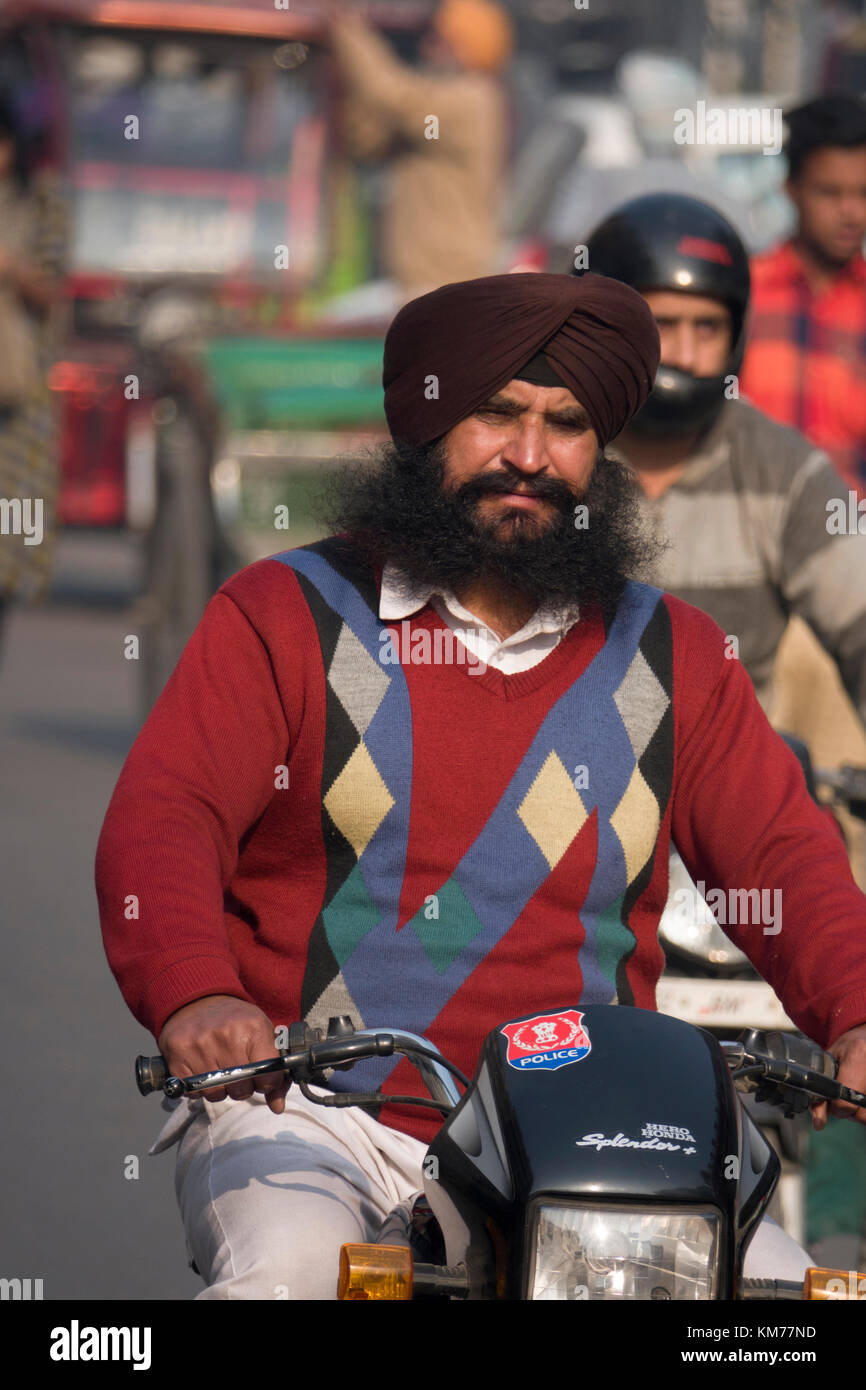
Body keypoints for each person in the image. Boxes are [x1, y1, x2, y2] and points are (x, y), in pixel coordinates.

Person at [96, 271, 866, 1300]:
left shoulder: (674, 654)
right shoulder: (283, 615)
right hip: (312, 1117)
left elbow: (781, 855)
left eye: (567, 424)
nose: (530, 456)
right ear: (424, 425)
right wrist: (198, 991)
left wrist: (853, 1008)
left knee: (783, 1302)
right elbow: (164, 819)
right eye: (495, 414)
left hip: (599, 1145)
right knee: (286, 1274)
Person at [584, 191, 866, 1265]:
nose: (683, 354)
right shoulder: (556, 452)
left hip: (736, 817)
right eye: (659, 325)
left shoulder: (783, 471)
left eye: (708, 328)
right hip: (581, 823)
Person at [327, 1, 513, 303]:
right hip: (417, 282)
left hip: (447, 281)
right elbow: (365, 142)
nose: (427, 48)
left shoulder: (474, 99)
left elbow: (394, 96)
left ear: (463, 45)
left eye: (437, 39)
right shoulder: (436, 110)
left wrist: (345, 25)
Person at [739, 94, 866, 497]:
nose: (851, 212)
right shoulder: (743, 293)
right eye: (830, 192)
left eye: (864, 193)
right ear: (791, 190)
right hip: (751, 541)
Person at [0, 93, 68, 663]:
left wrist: (12, 268)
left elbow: (54, 291)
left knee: (9, 539)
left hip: (16, 398)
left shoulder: (40, 202)